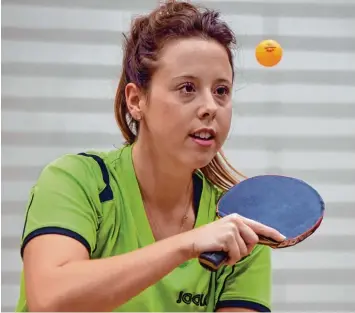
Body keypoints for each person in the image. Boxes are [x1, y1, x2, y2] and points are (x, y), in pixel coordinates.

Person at [16, 1, 285, 312]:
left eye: (221, 90)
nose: (210, 106)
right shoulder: (75, 181)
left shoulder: (238, 225)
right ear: (136, 100)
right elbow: (50, 300)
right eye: (187, 87)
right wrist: (188, 245)